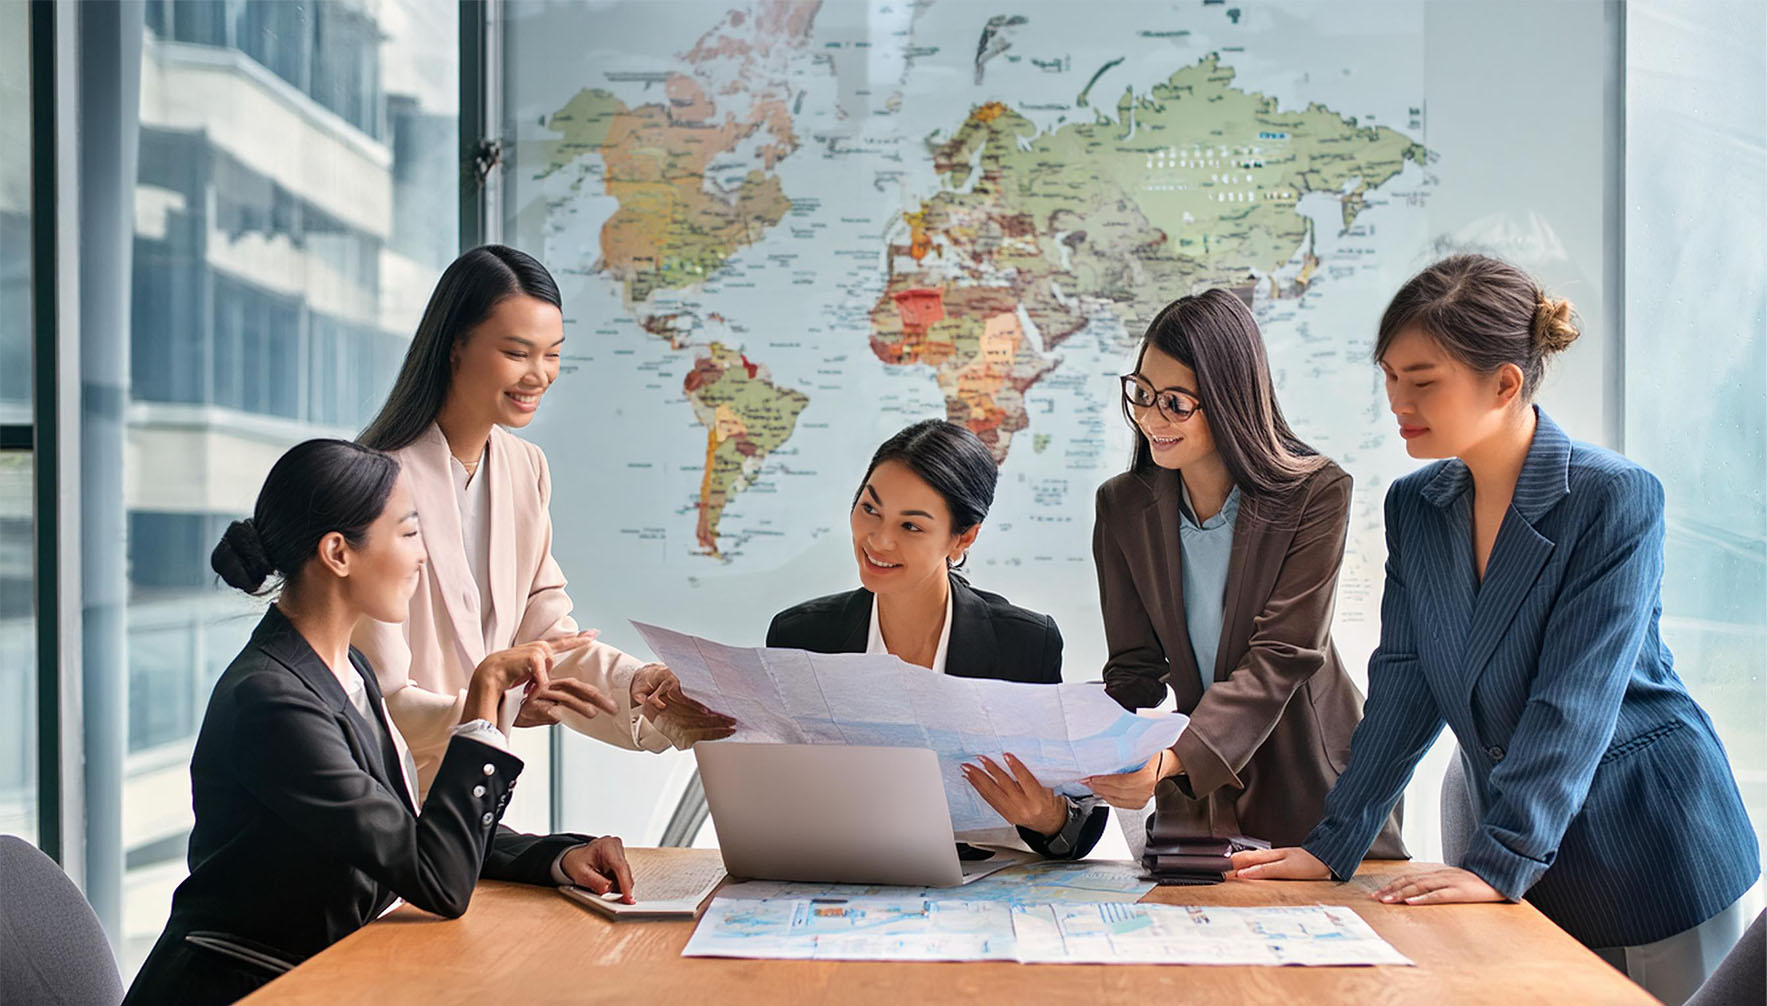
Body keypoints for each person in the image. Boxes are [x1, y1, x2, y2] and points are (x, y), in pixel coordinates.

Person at [1231, 255, 1760, 1005]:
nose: (1397, 401)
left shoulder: (1613, 498)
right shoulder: (1417, 506)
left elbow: (1571, 699)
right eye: (1388, 376)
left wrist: (1496, 859)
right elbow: (1402, 688)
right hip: (1509, 848)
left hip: (1643, 847)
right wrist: (1333, 845)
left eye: (1422, 381)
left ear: (1504, 382)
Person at [124, 440, 638, 1006]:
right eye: (410, 532)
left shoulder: (346, 670)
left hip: (323, 975)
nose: (424, 556)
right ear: (338, 554)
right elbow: (437, 879)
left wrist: (559, 858)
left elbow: (408, 830)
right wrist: (484, 692)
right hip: (246, 988)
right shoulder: (273, 702)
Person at [356, 245, 733, 791]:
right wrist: (496, 707)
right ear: (455, 346)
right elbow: (375, 693)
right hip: (387, 801)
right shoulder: (376, 485)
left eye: (552, 354)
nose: (540, 375)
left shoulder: (524, 467)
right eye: (517, 353)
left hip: (473, 802)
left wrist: (645, 686)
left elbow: (547, 639)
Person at [1083, 289, 1405, 858]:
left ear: (1229, 401)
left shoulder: (1315, 492)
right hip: (1196, 796)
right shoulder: (1121, 508)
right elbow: (1134, 669)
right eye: (1141, 393)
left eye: (1175, 403)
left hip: (1313, 780)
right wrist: (1079, 746)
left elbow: (1283, 654)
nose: (1152, 418)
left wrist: (1170, 759)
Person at [767, 419, 1107, 859]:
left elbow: (1077, 822)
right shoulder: (801, 636)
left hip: (985, 889)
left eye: (911, 526)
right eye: (870, 509)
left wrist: (1046, 816)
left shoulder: (1023, 642)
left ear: (962, 538)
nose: (879, 540)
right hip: (843, 875)